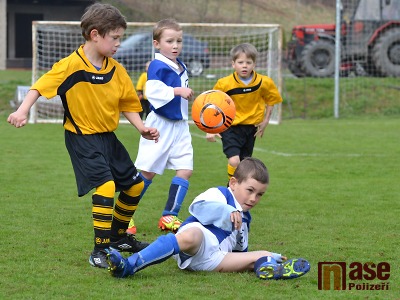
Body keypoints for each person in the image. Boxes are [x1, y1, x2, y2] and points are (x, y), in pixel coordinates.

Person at [7, 3, 160, 269]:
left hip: (108, 138)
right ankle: (99, 251)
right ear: (95, 35)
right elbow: (39, 88)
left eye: (120, 38)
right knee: (107, 186)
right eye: (115, 38)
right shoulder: (70, 66)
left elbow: (127, 104)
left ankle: (119, 237)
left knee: (134, 185)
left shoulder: (116, 70)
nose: (118, 44)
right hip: (81, 138)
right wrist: (22, 110)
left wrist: (142, 128)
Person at [106, 157, 310, 280]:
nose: (253, 198)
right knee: (192, 234)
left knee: (261, 254)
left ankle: (270, 268)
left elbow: (240, 250)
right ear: (233, 183)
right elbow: (197, 207)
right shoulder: (220, 194)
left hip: (215, 259)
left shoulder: (245, 220)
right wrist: (226, 211)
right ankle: (128, 266)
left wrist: (262, 256)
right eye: (250, 190)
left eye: (259, 194)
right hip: (197, 245)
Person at [128, 19, 194, 234]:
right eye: (170, 41)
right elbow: (153, 92)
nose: (175, 45)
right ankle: (124, 214)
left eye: (179, 41)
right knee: (147, 173)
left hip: (180, 126)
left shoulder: (181, 65)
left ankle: (170, 216)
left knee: (185, 170)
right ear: (157, 44)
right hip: (160, 126)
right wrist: (177, 91)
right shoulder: (156, 65)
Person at [206, 43, 283, 182]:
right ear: (233, 64)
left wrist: (266, 121)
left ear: (254, 64)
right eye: (240, 62)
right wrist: (210, 129)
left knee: (243, 164)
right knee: (234, 161)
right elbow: (212, 105)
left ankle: (237, 192)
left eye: (248, 62)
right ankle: (232, 188)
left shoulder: (264, 82)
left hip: (250, 129)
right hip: (230, 127)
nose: (244, 65)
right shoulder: (224, 84)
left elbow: (271, 100)